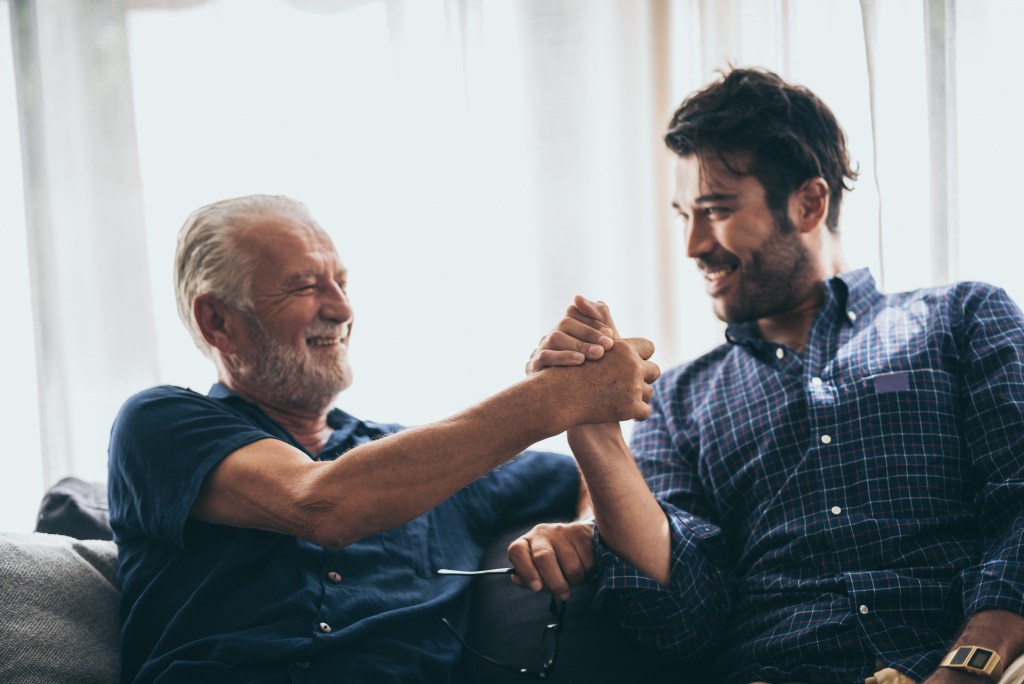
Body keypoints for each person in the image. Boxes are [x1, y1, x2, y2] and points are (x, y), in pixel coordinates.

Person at [527, 68, 1024, 684]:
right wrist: (595, 432)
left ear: (809, 203)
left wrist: (970, 666)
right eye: (685, 214)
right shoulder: (675, 400)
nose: (693, 244)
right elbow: (680, 625)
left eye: (715, 210)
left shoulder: (963, 317)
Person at [106, 194, 660, 683]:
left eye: (341, 283)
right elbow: (323, 504)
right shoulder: (159, 424)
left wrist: (583, 528)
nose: (343, 311)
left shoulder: (434, 464)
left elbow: (583, 479)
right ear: (217, 322)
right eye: (304, 286)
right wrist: (557, 396)